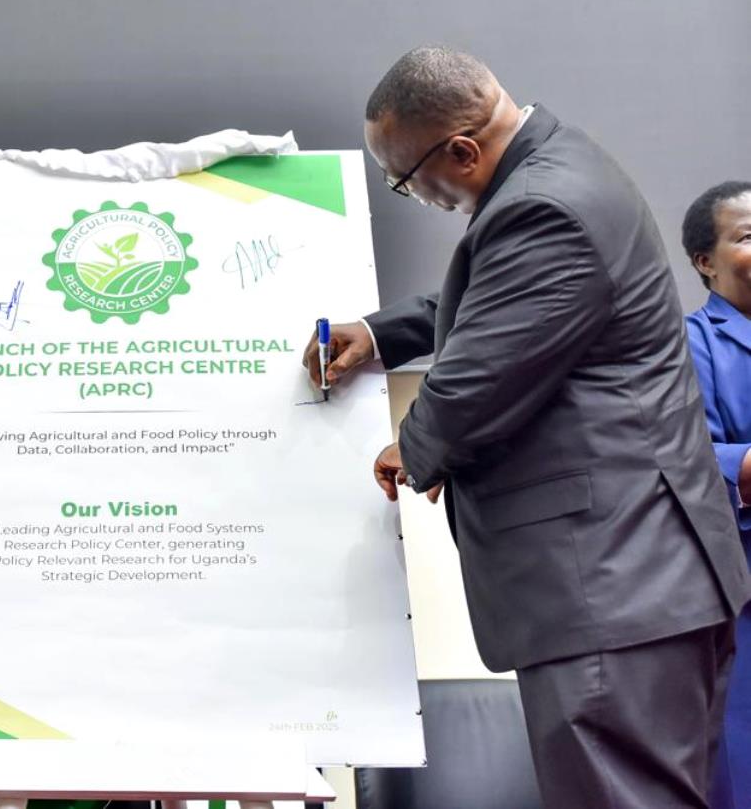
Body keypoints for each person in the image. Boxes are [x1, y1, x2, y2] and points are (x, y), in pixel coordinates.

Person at [303, 46, 750, 807]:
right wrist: (382, 337)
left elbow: (481, 377)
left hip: (612, 582)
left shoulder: (546, 206)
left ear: (463, 151)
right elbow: (506, 308)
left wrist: (410, 450)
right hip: (638, 584)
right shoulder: (562, 171)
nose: (417, 197)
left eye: (405, 182)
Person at [683, 181, 751, 809]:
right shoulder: (686, 343)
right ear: (705, 260)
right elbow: (683, 456)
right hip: (740, 585)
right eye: (747, 235)